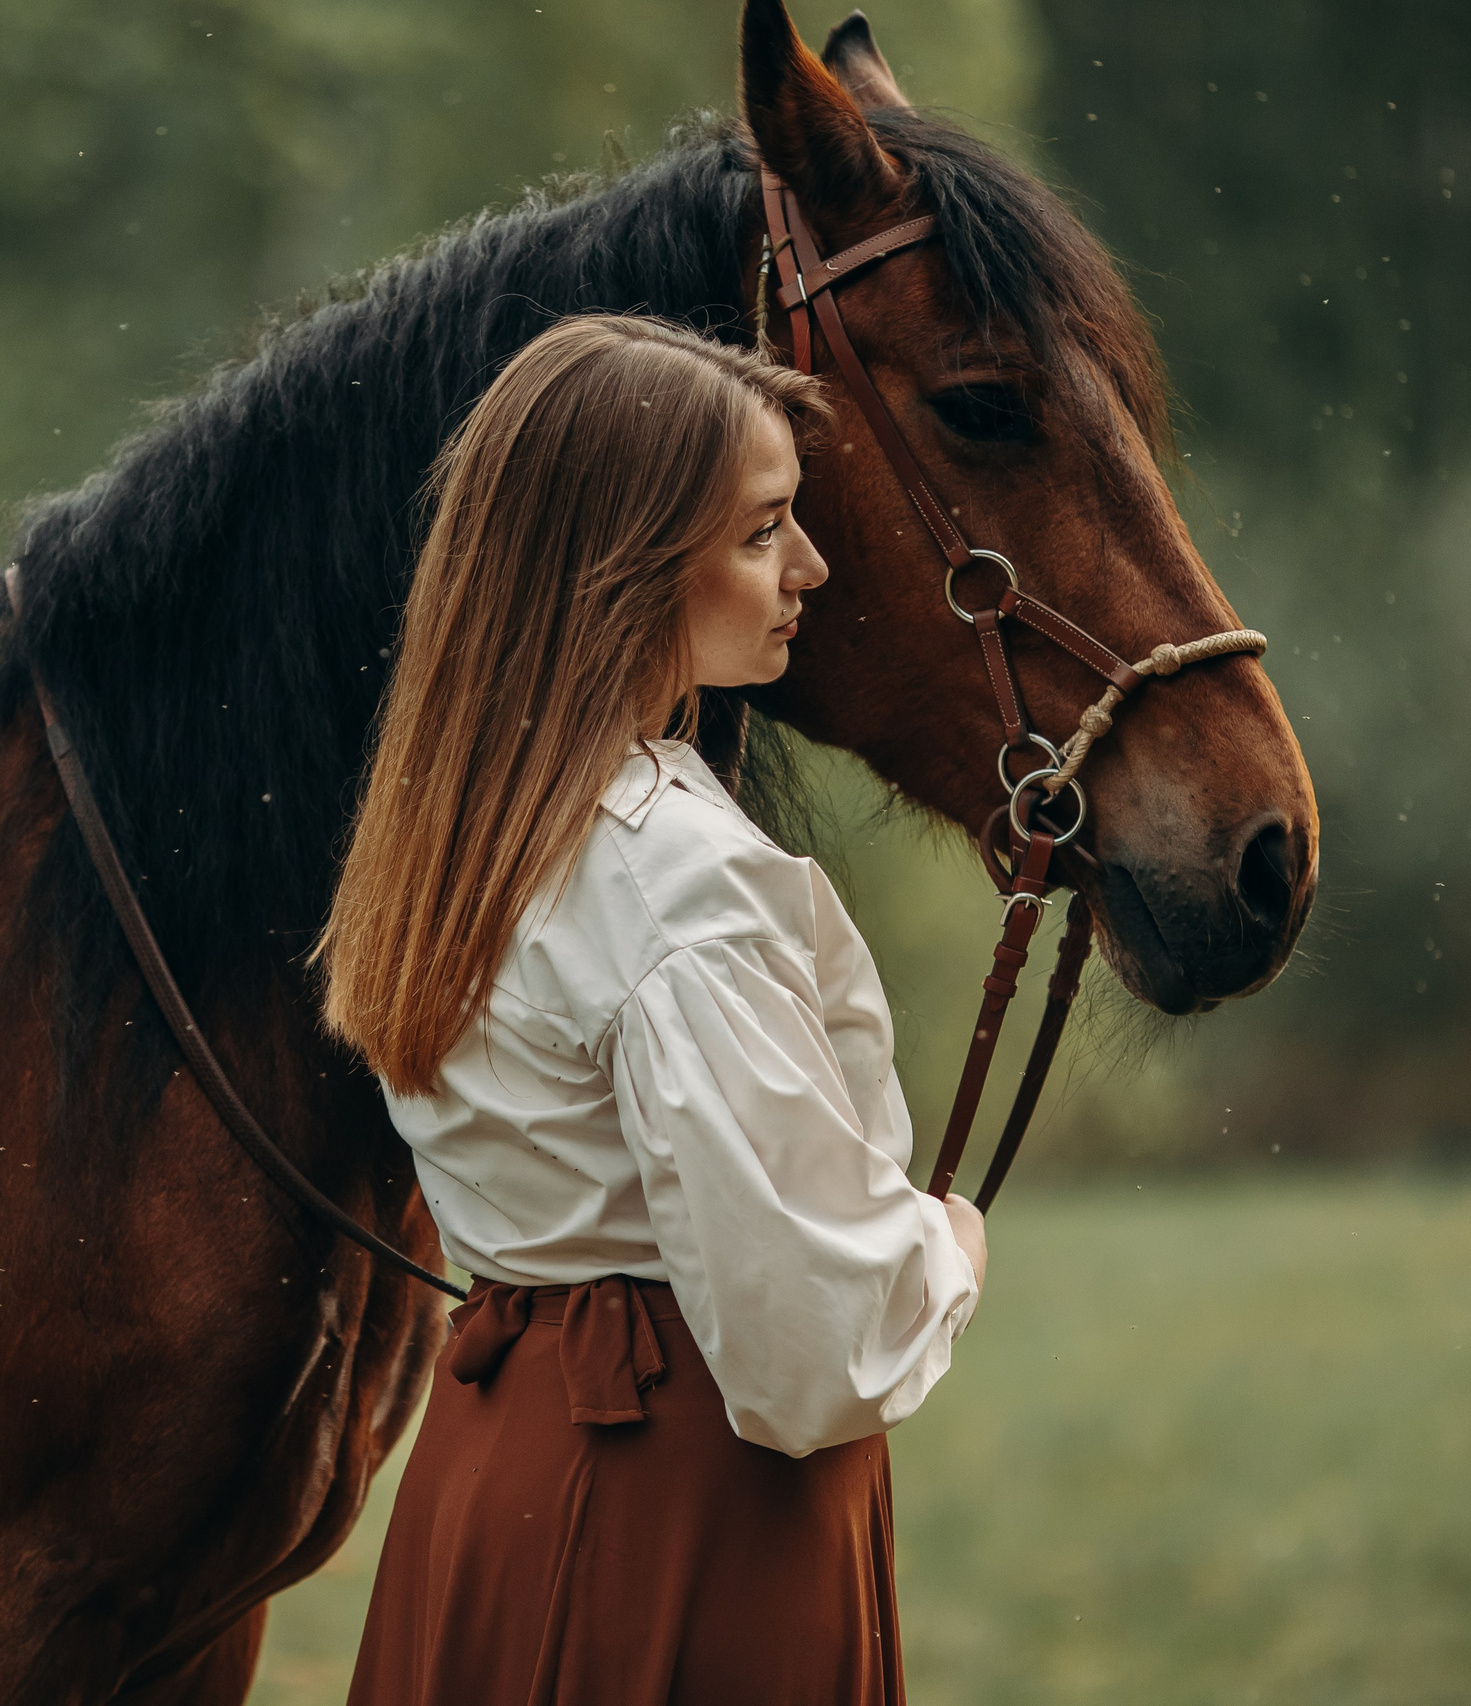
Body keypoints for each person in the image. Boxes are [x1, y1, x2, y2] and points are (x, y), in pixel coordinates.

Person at [317, 313, 987, 1706]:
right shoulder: (669, 876)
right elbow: (809, 1336)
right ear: (621, 570)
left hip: (491, 1475)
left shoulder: (464, 830)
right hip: (675, 1506)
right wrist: (944, 1246)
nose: (811, 568)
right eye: (762, 532)